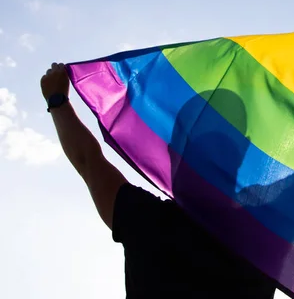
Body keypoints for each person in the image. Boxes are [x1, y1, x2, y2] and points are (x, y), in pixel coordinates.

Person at [41, 62, 277, 298]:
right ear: (244, 151)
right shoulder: (268, 236)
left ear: (174, 154)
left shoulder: (145, 219)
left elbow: (87, 160)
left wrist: (57, 100)